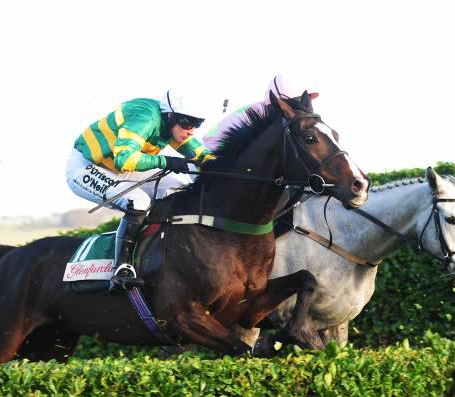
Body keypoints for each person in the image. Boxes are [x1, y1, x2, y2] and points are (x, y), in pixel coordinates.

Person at [66, 86, 216, 292]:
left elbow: (201, 154)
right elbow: (124, 159)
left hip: (120, 168)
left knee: (179, 190)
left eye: (197, 123)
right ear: (170, 116)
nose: (191, 130)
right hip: (88, 166)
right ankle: (121, 268)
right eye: (187, 122)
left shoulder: (172, 125)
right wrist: (166, 161)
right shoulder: (145, 119)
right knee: (138, 201)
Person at [203, 73, 319, 153]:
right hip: (209, 159)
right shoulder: (260, 112)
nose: (308, 104)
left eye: (309, 98)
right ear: (284, 98)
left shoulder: (277, 116)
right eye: (305, 98)